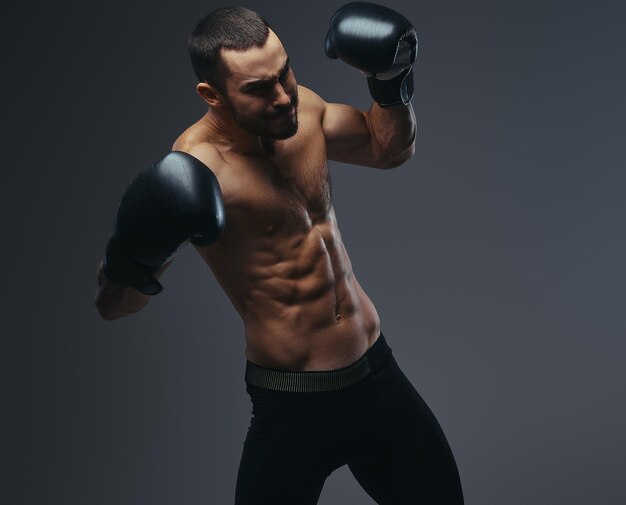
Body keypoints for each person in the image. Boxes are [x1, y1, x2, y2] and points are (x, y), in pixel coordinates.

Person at [94, 3, 464, 504]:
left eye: (284, 72)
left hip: (376, 375)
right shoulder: (199, 173)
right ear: (212, 95)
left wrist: (391, 80)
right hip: (294, 406)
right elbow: (115, 306)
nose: (283, 96)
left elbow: (387, 149)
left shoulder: (302, 108)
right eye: (258, 89)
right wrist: (129, 260)